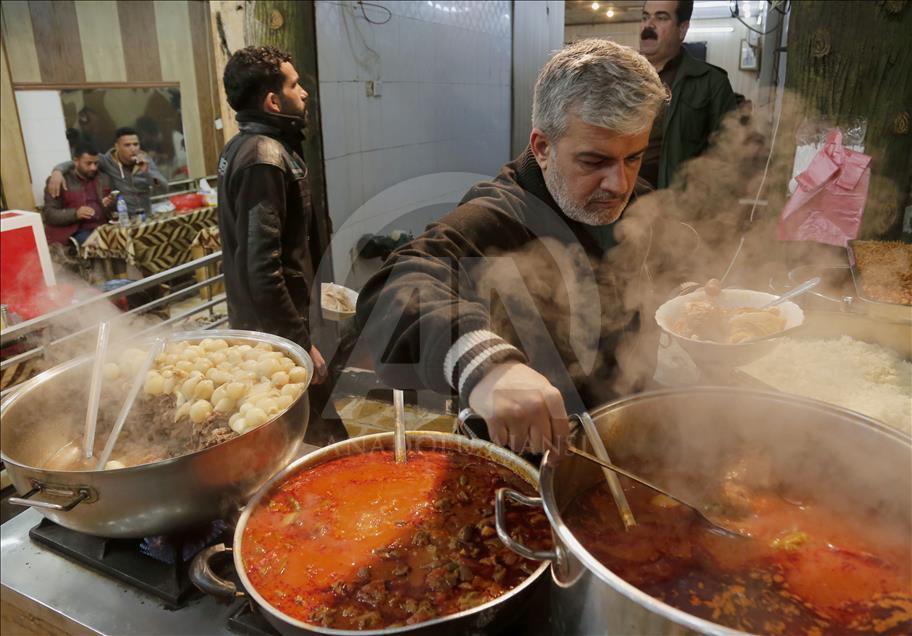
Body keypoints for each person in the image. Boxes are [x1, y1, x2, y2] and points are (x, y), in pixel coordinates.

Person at [356, 40, 685, 455]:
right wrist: (486, 366)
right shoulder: (497, 215)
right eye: (593, 161)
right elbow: (391, 291)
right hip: (525, 460)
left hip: (623, 437)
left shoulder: (636, 201)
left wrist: (690, 301)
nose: (619, 184)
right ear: (543, 147)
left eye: (633, 158)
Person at [217, 45, 346, 445]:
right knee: (314, 438)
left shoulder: (245, 146)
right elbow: (262, 267)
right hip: (279, 336)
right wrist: (300, 345)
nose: (304, 93)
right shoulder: (265, 158)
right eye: (294, 85)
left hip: (277, 326)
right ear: (273, 101)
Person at [638, 0, 737, 189]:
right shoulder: (623, 76)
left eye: (661, 17)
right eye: (645, 17)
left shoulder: (710, 82)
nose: (648, 25)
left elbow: (728, 154)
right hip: (622, 197)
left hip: (673, 200)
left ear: (682, 29)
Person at [47, 127, 167, 217]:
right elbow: (77, 162)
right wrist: (57, 171)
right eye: (127, 145)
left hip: (146, 216)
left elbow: (163, 188)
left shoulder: (145, 160)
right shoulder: (107, 161)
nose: (133, 149)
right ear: (117, 146)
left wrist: (148, 172)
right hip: (124, 219)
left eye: (136, 144)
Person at [42, 142, 116, 246]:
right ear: (76, 161)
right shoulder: (59, 181)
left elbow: (115, 207)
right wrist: (75, 214)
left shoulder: (104, 178)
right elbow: (49, 214)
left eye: (96, 163)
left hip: (104, 227)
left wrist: (111, 204)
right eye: (88, 163)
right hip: (76, 232)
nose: (93, 168)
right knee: (99, 244)